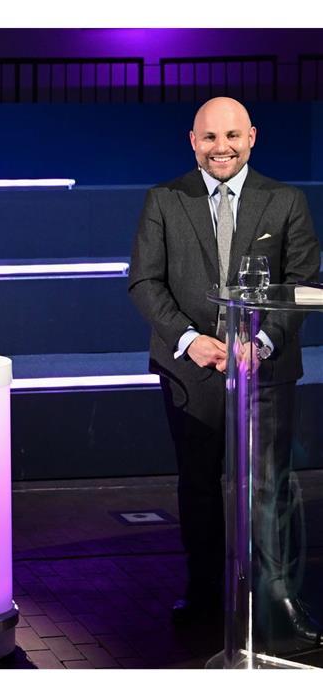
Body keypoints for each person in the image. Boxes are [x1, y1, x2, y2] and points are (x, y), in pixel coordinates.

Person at [128, 97, 320, 636]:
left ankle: (278, 599)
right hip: (192, 371)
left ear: (252, 137)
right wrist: (190, 341)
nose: (222, 148)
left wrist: (259, 344)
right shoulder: (164, 199)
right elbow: (145, 281)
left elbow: (306, 283)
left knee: (270, 485)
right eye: (210, 138)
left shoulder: (285, 201)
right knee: (198, 484)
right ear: (193, 141)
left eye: (232, 136)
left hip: (267, 368)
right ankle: (204, 590)